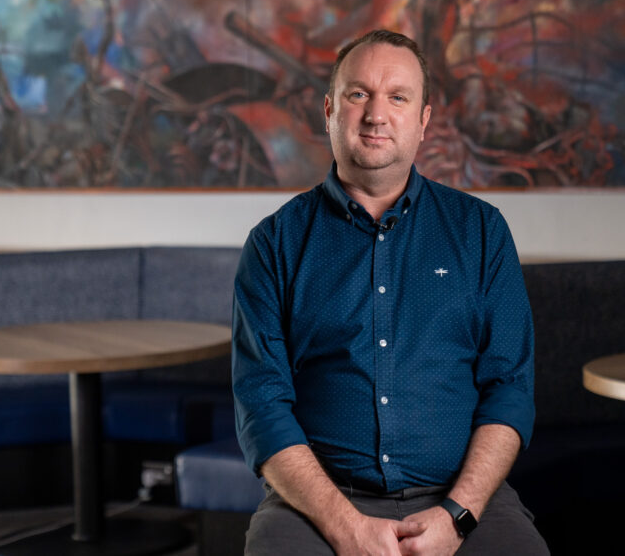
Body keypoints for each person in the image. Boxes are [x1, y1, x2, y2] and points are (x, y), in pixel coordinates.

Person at [232, 29, 548, 556]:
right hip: (317, 505)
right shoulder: (274, 244)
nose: (376, 115)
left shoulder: (482, 232)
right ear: (329, 110)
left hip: (462, 501)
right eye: (359, 95)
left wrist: (456, 516)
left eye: (397, 97)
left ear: (423, 120)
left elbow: (510, 389)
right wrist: (345, 525)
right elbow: (261, 408)